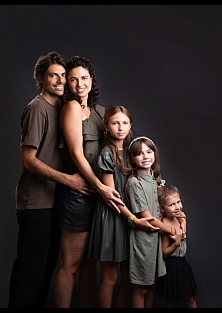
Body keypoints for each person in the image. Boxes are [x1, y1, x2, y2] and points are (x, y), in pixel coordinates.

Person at [11, 51, 88, 308]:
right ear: (41, 78)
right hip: (36, 204)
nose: (60, 80)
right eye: (53, 75)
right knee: (30, 275)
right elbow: (28, 160)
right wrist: (69, 180)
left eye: (63, 75)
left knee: (45, 272)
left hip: (53, 203)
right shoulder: (37, 109)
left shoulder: (60, 109)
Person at [54, 54, 125, 308]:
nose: (79, 84)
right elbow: (75, 153)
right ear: (68, 84)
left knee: (90, 262)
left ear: (92, 80)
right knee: (70, 265)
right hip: (80, 191)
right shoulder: (71, 108)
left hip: (99, 190)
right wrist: (99, 187)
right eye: (73, 80)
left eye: (84, 78)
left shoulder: (99, 112)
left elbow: (117, 144)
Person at [88, 105, 159, 307]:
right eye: (115, 123)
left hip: (134, 216)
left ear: (130, 125)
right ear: (106, 126)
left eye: (125, 123)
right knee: (110, 277)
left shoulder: (134, 151)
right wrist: (134, 219)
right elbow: (112, 197)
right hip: (114, 217)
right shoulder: (107, 154)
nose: (120, 127)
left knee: (130, 277)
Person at [124, 136, 180, 308]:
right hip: (143, 241)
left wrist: (180, 222)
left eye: (149, 152)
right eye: (139, 154)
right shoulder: (135, 182)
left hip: (157, 241)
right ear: (132, 159)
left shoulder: (156, 180)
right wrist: (172, 231)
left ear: (155, 154)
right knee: (141, 288)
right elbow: (148, 218)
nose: (145, 156)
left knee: (152, 286)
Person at [155, 184, 199, 308]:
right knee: (177, 299)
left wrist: (184, 222)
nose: (177, 207)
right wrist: (176, 243)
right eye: (172, 205)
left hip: (182, 263)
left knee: (181, 298)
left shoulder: (179, 217)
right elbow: (164, 252)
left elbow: (183, 216)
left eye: (178, 202)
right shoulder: (165, 225)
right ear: (162, 209)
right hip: (172, 266)